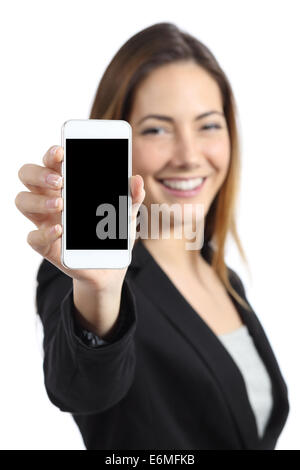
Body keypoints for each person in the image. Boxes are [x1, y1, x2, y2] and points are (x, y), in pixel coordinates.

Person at [15, 22, 289, 450]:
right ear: (117, 141)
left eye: (209, 125)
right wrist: (99, 290)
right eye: (157, 129)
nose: (188, 155)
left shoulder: (222, 275)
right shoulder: (85, 275)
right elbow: (83, 390)